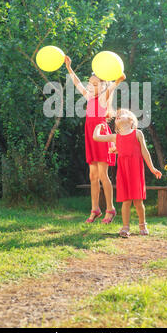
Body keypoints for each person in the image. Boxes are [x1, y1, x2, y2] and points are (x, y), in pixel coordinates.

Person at [65, 55, 126, 224]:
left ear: (103, 85)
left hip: (101, 137)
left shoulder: (103, 98)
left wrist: (118, 80)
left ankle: (110, 209)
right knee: (93, 175)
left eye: (94, 84)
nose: (90, 87)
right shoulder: (89, 97)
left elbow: (112, 86)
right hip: (91, 137)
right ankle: (95, 209)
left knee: (103, 174)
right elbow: (77, 83)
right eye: (90, 84)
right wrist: (69, 68)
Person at [93, 108, 162, 237]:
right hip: (123, 172)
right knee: (126, 201)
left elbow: (145, 152)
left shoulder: (137, 133)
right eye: (117, 116)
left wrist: (152, 168)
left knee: (137, 201)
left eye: (122, 115)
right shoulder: (115, 137)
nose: (118, 116)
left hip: (136, 170)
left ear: (131, 120)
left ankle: (142, 225)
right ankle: (125, 227)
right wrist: (98, 127)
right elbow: (96, 137)